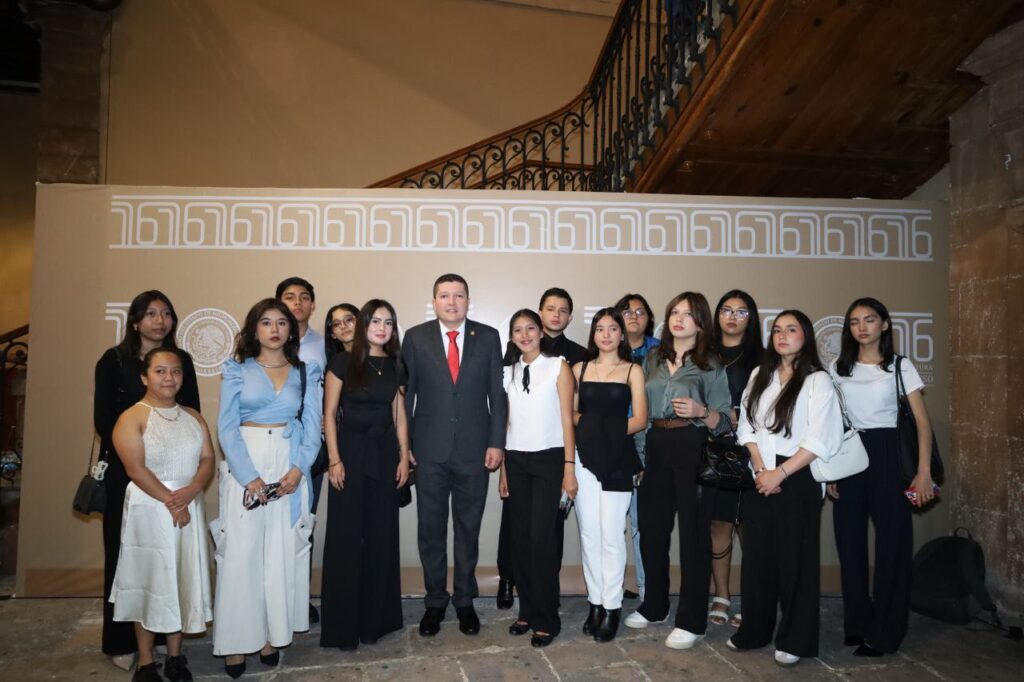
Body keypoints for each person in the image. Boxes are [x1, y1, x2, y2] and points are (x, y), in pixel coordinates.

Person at [212, 299, 323, 678]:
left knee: (278, 553)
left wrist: (298, 470)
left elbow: (312, 426)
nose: (274, 329)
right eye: (265, 322)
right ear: (254, 329)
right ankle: (236, 642)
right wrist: (249, 476)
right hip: (247, 463)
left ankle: (269, 637)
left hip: (289, 464)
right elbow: (227, 427)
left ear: (291, 329)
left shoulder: (305, 372)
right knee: (242, 554)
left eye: (281, 322)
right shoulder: (237, 370)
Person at [727, 310, 843, 668]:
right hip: (760, 472)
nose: (782, 335)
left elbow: (820, 439)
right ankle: (755, 630)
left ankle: (796, 639)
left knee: (796, 562)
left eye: (791, 329)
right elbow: (745, 426)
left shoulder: (818, 381)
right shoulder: (760, 374)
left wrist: (780, 473)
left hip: (798, 476)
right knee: (757, 559)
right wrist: (762, 469)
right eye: (777, 329)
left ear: (805, 336)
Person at [93, 290, 200, 671]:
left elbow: (191, 412)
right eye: (151, 313)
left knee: (170, 558)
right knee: (126, 556)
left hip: (174, 471)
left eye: (166, 313)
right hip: (128, 472)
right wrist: (139, 457)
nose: (159, 320)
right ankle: (122, 641)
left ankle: (166, 640)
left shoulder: (181, 360)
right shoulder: (113, 360)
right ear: (136, 321)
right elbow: (103, 420)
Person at [401, 274, 507, 637]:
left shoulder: (488, 337)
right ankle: (434, 601)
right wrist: (405, 446)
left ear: (467, 300)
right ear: (434, 302)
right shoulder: (415, 338)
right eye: (444, 296)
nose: (451, 302)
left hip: (474, 452)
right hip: (428, 452)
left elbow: (497, 394)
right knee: (430, 531)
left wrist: (496, 442)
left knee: (467, 530)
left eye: (458, 295)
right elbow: (407, 398)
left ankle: (464, 600)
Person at [829, 298, 936, 657]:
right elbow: (832, 422)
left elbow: (922, 423)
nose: (862, 327)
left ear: (885, 324)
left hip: (889, 455)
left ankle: (887, 631)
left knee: (893, 546)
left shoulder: (900, 366)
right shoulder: (837, 368)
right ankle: (858, 623)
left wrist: (923, 472)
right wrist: (831, 470)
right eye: (855, 321)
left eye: (870, 320)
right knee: (849, 545)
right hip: (850, 455)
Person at [625, 292, 732, 651]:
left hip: (694, 445)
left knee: (694, 537)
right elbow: (640, 412)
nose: (678, 319)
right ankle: (654, 606)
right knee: (652, 532)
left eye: (687, 314)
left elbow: (726, 420)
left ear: (701, 322)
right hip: (656, 443)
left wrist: (702, 412)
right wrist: (641, 458)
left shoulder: (711, 364)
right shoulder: (653, 358)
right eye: (674, 312)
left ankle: (692, 620)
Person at [109, 348, 214, 682]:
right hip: (150, 510)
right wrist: (172, 501)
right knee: (149, 581)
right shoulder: (131, 417)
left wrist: (191, 491)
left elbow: (207, 459)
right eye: (160, 371)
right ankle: (144, 662)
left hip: (188, 504)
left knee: (181, 578)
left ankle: (175, 657)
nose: (169, 378)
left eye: (176, 371)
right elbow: (135, 469)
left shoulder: (193, 416)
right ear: (145, 376)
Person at [320, 299, 411, 650]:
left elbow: (399, 416)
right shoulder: (342, 362)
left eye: (389, 322)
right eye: (376, 321)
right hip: (350, 453)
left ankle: (376, 621)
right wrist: (334, 460)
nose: (382, 328)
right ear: (363, 324)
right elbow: (329, 414)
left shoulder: (395, 364)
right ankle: (343, 627)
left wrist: (403, 457)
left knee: (381, 535)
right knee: (345, 537)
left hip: (385, 454)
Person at [496, 288, 586, 609]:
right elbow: (506, 421)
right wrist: (503, 469)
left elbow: (567, 420)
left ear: (540, 332)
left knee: (543, 538)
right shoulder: (508, 369)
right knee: (520, 537)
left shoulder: (561, 365)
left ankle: (546, 613)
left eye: (530, 329)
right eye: (518, 330)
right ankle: (526, 609)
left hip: (550, 459)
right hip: (516, 460)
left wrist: (569, 468)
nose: (525, 335)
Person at [573, 308, 647, 643]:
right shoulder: (579, 369)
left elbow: (640, 420)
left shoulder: (633, 370)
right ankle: (596, 603)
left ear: (621, 334)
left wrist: (599, 429)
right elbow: (570, 413)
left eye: (613, 328)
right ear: (593, 334)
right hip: (584, 457)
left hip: (619, 458)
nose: (606, 334)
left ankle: (613, 606)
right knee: (589, 533)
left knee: (612, 535)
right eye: (600, 328)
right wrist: (598, 430)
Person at [706, 290, 763, 628]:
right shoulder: (705, 353)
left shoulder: (763, 357)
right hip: (714, 448)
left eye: (741, 312)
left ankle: (754, 597)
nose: (732, 317)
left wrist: (743, 417)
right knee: (719, 523)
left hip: (753, 449)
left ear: (751, 319)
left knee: (750, 526)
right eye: (726, 310)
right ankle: (722, 595)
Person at [276, 277, 326, 624]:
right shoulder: (263, 343)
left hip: (310, 449)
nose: (297, 303)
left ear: (312, 304)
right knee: (271, 525)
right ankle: (271, 596)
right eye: (289, 297)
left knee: (303, 523)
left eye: (304, 297)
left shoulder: (325, 346)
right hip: (270, 445)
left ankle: (299, 598)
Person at [613, 292, 659, 601]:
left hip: (651, 439)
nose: (633, 316)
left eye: (640, 311)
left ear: (649, 318)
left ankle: (646, 589)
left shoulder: (661, 351)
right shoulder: (607, 349)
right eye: (627, 311)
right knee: (612, 522)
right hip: (615, 440)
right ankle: (610, 589)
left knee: (643, 522)